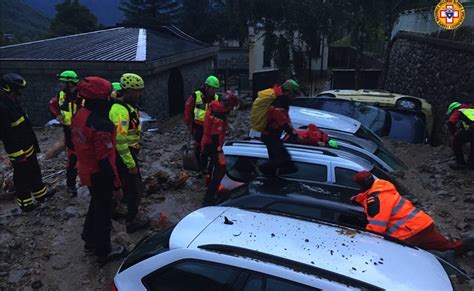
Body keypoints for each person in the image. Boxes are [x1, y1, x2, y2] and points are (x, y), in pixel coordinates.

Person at [351, 171, 473, 254]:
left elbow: (377, 227)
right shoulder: (384, 189)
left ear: (361, 185)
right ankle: (467, 244)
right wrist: (359, 199)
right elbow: (379, 203)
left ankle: (443, 263)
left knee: (397, 258)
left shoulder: (376, 199)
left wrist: (365, 243)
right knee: (446, 246)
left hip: (408, 233)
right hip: (423, 224)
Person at [71, 76, 125, 264]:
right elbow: (105, 161)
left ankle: (89, 240)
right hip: (98, 173)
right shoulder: (101, 125)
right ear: (103, 99)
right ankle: (103, 250)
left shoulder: (79, 115)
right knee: (104, 210)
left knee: (96, 204)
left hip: (85, 168)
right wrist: (116, 185)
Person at [0, 73, 55, 212]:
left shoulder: (12, 102)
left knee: (34, 170)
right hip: (18, 150)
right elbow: (7, 135)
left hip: (27, 145)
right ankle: (25, 204)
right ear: (8, 90)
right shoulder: (2, 107)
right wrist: (18, 155)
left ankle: (41, 194)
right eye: (16, 92)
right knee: (22, 176)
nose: (18, 95)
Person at [109, 73, 149, 233]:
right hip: (125, 155)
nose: (140, 94)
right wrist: (131, 163)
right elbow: (120, 141)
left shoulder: (128, 107)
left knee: (124, 186)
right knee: (136, 189)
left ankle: (114, 211)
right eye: (138, 91)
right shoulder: (121, 110)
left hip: (128, 153)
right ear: (128, 90)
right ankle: (131, 221)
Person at [201, 91, 239, 206]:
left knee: (214, 167)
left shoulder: (214, 108)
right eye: (232, 106)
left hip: (208, 143)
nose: (232, 109)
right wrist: (219, 152)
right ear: (228, 104)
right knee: (221, 168)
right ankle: (208, 198)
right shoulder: (219, 115)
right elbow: (215, 136)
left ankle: (211, 186)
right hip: (213, 145)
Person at [48, 70, 81, 195]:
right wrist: (56, 115)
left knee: (87, 156)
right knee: (72, 158)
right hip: (69, 130)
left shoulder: (82, 95)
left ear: (70, 83)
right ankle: (71, 185)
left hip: (83, 131)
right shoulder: (61, 94)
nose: (61, 84)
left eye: (63, 82)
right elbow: (52, 104)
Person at [259, 79, 301, 176]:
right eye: (294, 94)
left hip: (272, 135)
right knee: (283, 160)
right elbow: (283, 122)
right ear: (288, 92)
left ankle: (271, 176)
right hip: (270, 136)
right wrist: (294, 135)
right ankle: (262, 170)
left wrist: (294, 133)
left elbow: (286, 119)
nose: (295, 97)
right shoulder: (278, 102)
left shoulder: (282, 102)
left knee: (278, 160)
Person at [184, 75, 220, 171]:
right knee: (198, 146)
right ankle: (199, 166)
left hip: (211, 127)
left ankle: (205, 166)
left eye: (215, 89)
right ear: (207, 87)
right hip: (198, 125)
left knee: (209, 147)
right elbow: (188, 109)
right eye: (212, 89)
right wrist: (188, 123)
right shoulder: (196, 95)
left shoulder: (216, 97)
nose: (214, 91)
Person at [446, 101, 474, 170]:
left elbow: (451, 122)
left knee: (456, 141)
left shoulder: (458, 111)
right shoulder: (471, 109)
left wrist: (454, 134)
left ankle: (460, 163)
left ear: (454, 109)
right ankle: (471, 163)